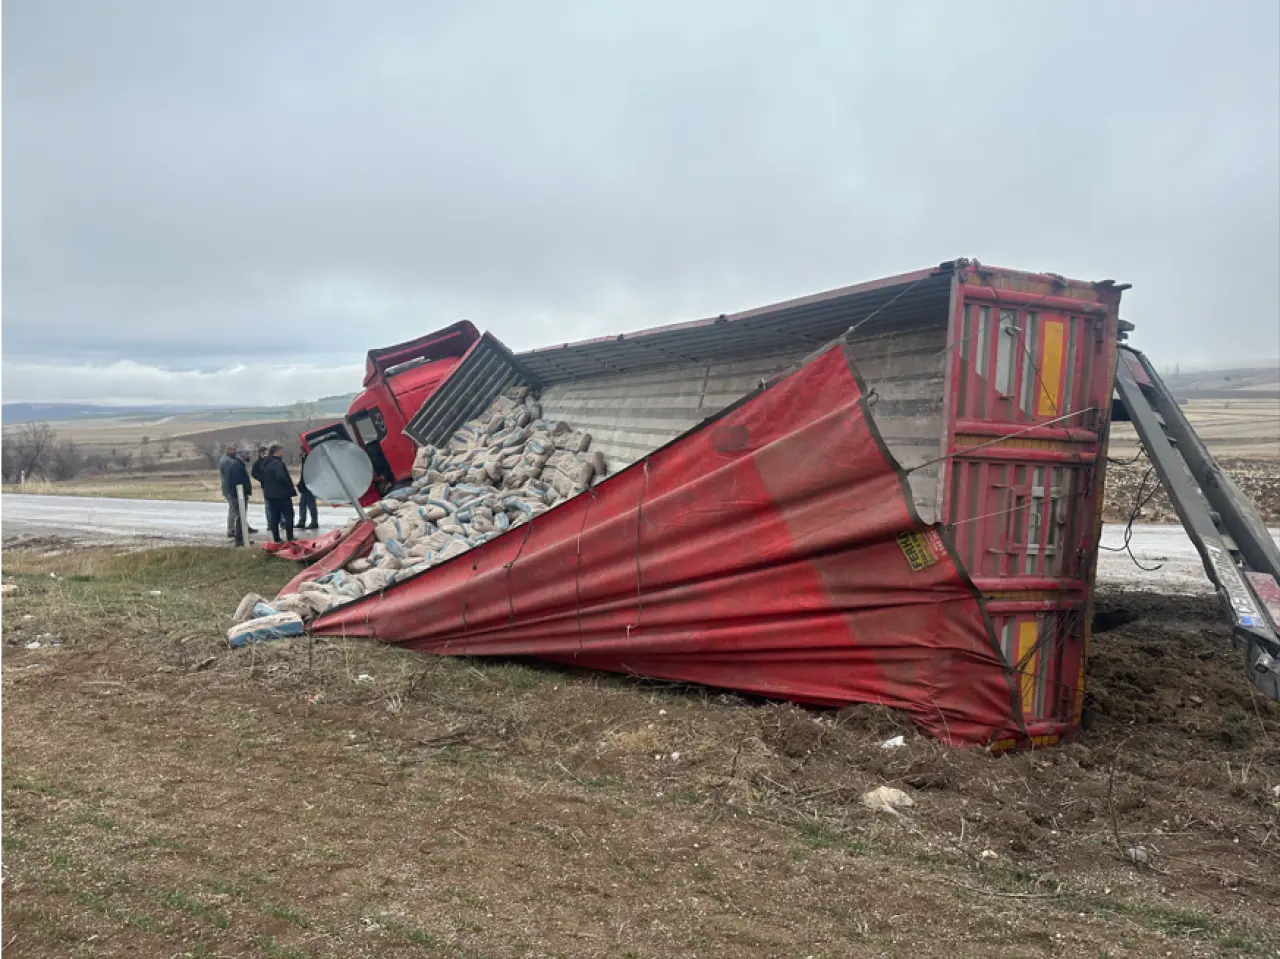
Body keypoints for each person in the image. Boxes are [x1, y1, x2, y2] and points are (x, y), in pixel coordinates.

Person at [259, 443, 298, 543]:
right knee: (289, 514)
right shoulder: (278, 464)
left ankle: (276, 538)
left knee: (274, 517)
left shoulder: (264, 463)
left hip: (269, 495)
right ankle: (290, 537)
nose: (282, 453)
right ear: (276, 452)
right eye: (281, 451)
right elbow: (281, 477)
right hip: (281, 494)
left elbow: (260, 476)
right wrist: (288, 487)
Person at [225, 449, 253, 546]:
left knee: (241, 517)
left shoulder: (238, 465)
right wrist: (242, 493)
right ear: (242, 455)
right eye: (247, 454)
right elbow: (238, 482)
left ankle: (242, 538)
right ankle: (239, 540)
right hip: (238, 496)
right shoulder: (237, 466)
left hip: (238, 495)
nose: (249, 455)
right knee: (240, 517)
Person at [218, 443, 239, 539]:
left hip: (230, 488)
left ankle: (238, 527)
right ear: (229, 450)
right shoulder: (226, 461)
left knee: (237, 509)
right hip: (229, 488)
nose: (236, 451)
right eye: (234, 449)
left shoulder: (230, 459)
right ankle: (231, 530)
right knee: (233, 509)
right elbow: (229, 476)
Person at [296, 449, 319, 529]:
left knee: (311, 504)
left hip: (309, 486)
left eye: (300, 450)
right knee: (302, 504)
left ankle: (314, 522)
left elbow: (309, 474)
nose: (298, 452)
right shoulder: (304, 459)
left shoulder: (309, 460)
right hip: (305, 486)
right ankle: (302, 521)